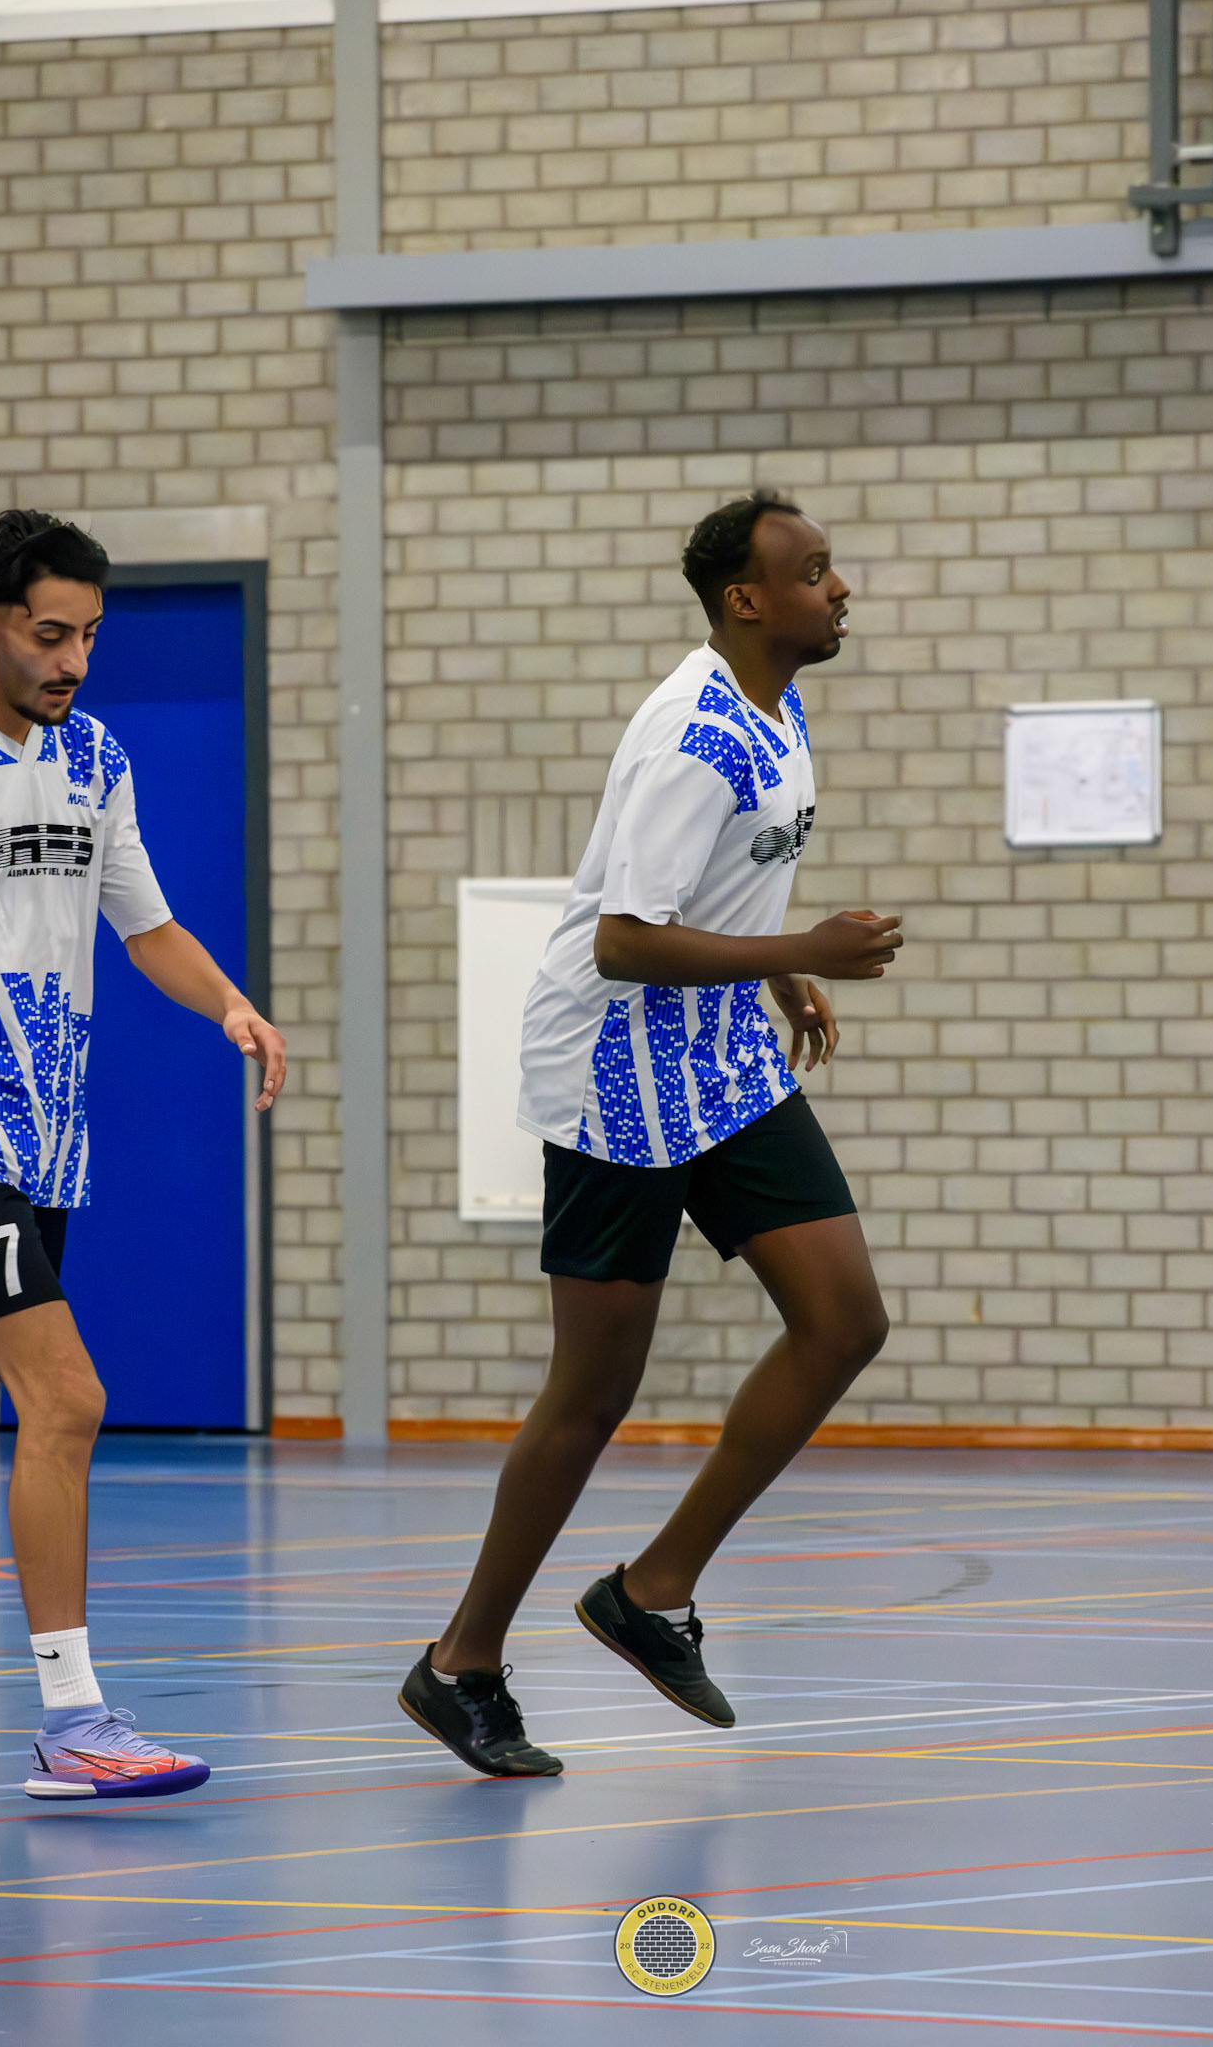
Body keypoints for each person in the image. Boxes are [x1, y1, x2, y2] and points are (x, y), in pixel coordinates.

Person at [399, 490, 901, 1776]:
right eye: (815, 571)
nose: (839, 587)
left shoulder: (779, 707)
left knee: (845, 1319)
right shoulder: (694, 733)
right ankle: (461, 1662)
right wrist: (801, 946)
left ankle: (652, 1588)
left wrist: (780, 973)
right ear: (747, 599)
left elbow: (717, 886)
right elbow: (624, 940)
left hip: (719, 1059)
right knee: (593, 1391)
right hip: (614, 1072)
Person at [0, 511, 286, 1811]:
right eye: (48, 634)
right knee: (66, 1399)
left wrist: (229, 1003)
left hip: (42, 1143)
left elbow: (148, 925)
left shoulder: (95, 758)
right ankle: (76, 1720)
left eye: (87, 636)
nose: (73, 660)